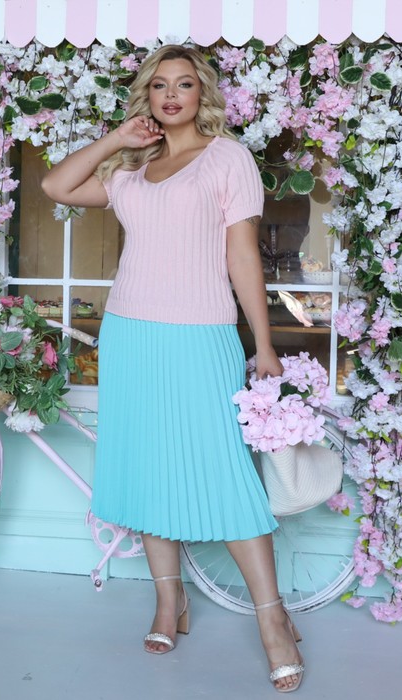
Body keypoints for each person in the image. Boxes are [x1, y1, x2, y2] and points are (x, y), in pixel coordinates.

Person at [42, 44, 305, 693]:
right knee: (147, 470)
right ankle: (169, 600)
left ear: (201, 94)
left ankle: (272, 619)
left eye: (184, 84)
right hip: (130, 336)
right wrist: (116, 139)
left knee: (224, 475)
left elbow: (242, 255)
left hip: (201, 335)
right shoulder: (132, 169)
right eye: (160, 85)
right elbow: (56, 187)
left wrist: (263, 344)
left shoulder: (228, 158)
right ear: (148, 96)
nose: (171, 95)